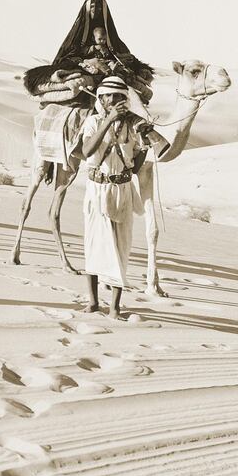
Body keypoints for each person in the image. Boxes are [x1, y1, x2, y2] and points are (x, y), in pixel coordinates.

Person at [79, 76, 149, 318]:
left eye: (118, 96)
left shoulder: (132, 126)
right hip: (97, 190)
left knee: (121, 247)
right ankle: (93, 301)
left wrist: (146, 145)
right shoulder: (92, 122)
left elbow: (136, 164)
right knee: (94, 245)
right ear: (100, 99)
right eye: (108, 96)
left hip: (123, 190)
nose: (112, 100)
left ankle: (115, 307)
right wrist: (108, 121)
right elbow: (86, 150)